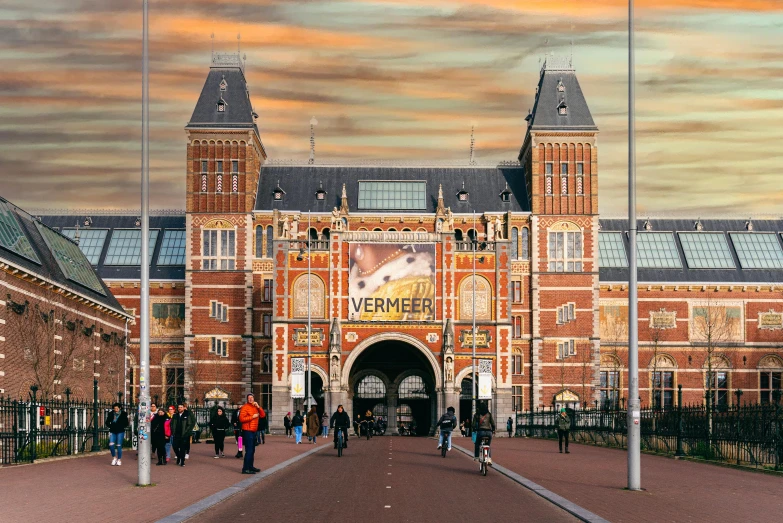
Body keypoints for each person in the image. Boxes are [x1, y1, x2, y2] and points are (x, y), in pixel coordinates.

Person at [238, 394, 263, 474]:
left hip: (253, 431)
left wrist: (258, 407)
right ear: (247, 399)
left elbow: (263, 415)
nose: (250, 399)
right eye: (249, 398)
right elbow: (241, 419)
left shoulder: (255, 407)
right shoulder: (245, 407)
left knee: (252, 450)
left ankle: (250, 466)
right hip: (247, 430)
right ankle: (245, 468)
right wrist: (252, 417)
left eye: (251, 397)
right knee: (249, 450)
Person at [170, 402, 195, 466]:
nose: (180, 408)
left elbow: (190, 424)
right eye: (179, 407)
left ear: (184, 408)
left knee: (182, 448)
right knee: (175, 446)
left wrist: (186, 432)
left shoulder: (187, 415)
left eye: (181, 407)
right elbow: (172, 424)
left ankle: (182, 461)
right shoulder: (175, 415)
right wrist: (173, 431)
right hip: (176, 434)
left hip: (184, 434)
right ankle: (178, 456)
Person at [105, 402, 129, 466]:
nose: (116, 410)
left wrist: (121, 426)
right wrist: (111, 426)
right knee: (111, 444)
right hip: (113, 431)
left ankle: (119, 459)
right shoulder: (111, 414)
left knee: (119, 445)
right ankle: (114, 458)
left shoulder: (123, 414)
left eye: (117, 408)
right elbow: (107, 422)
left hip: (120, 431)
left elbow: (126, 423)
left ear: (120, 408)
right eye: (114, 408)